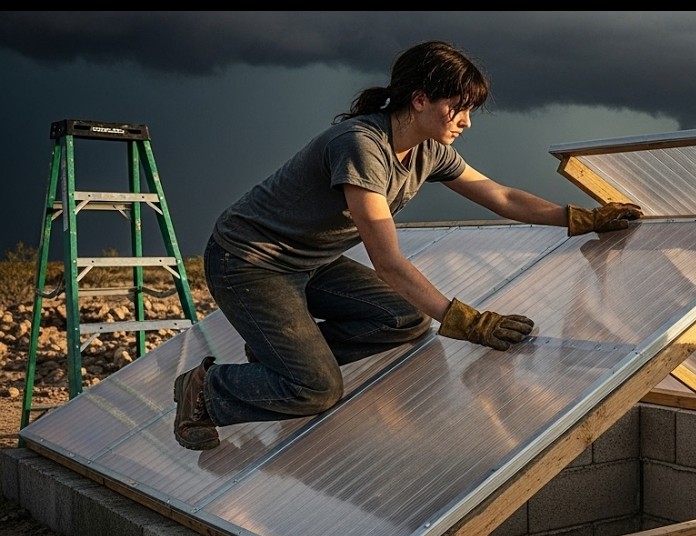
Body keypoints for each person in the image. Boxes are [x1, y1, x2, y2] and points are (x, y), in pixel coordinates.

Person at [172, 40, 642, 451]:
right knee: (316, 390)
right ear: (420, 100)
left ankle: (283, 359)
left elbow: (499, 196)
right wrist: (469, 322)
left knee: (405, 318)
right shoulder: (361, 145)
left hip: (311, 262)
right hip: (249, 262)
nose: (466, 122)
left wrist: (579, 218)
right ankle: (206, 390)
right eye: (457, 108)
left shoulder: (429, 150)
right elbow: (388, 263)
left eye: (470, 110)